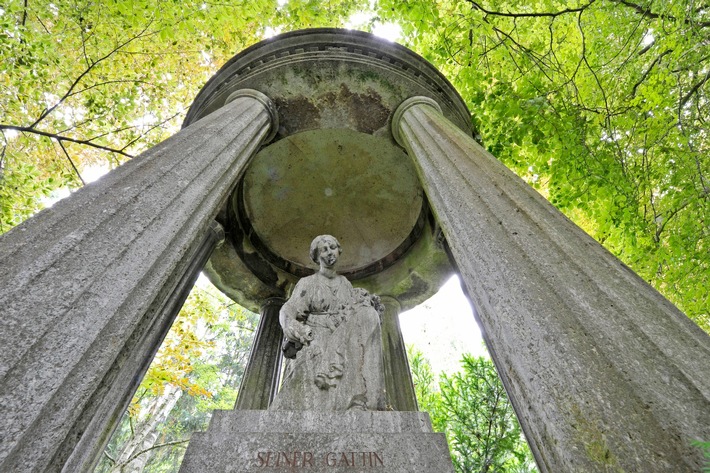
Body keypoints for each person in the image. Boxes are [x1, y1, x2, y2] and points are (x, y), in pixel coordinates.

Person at [269, 235, 387, 411]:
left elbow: (351, 313)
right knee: (317, 353)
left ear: (338, 250)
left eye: (332, 247)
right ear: (317, 257)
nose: (329, 252)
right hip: (316, 334)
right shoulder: (308, 283)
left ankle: (361, 401)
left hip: (342, 333)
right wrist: (294, 328)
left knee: (367, 319)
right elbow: (288, 310)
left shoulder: (345, 284)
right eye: (324, 249)